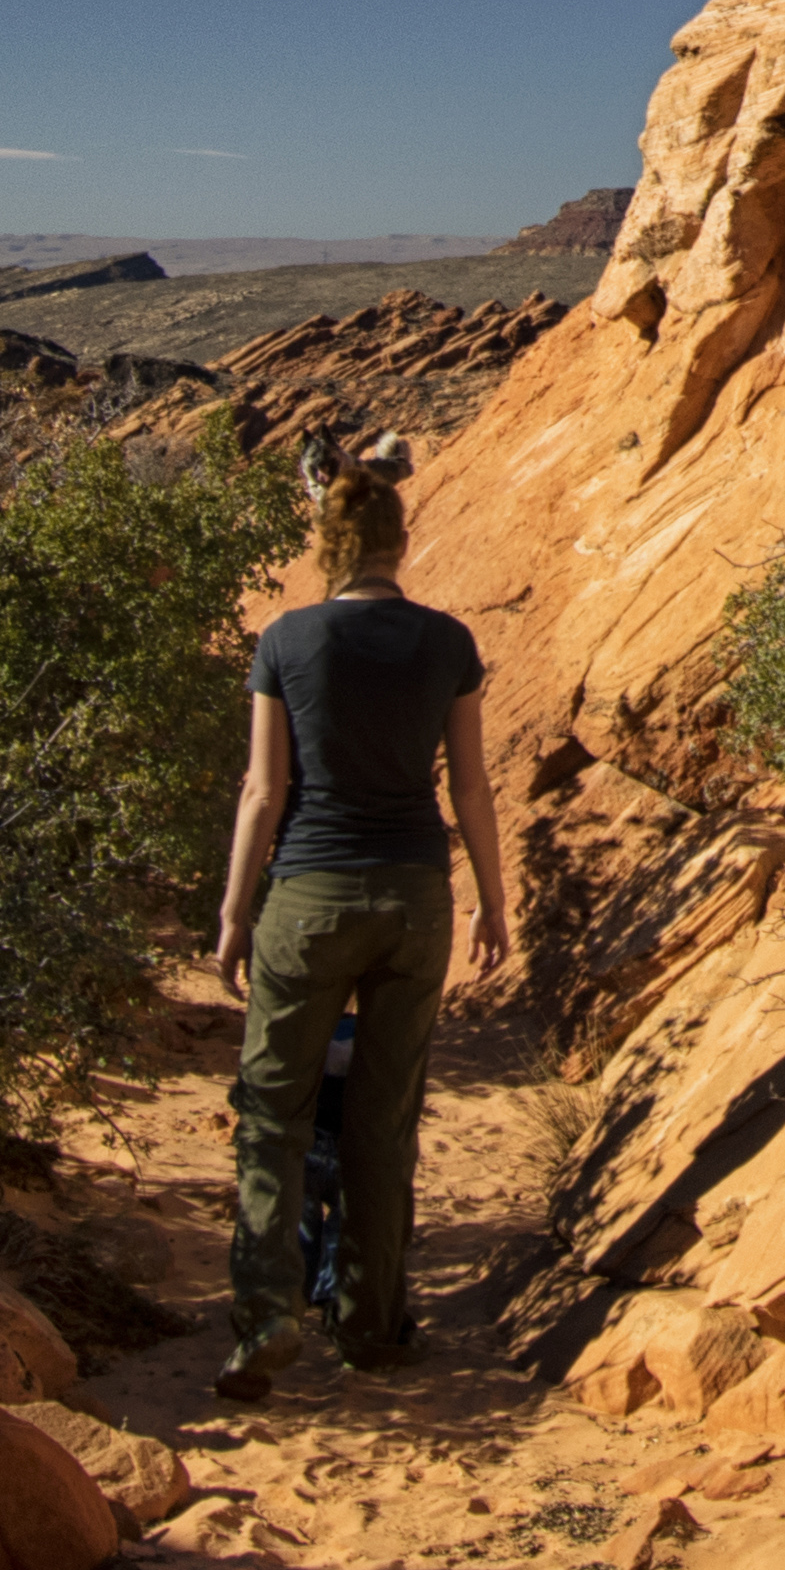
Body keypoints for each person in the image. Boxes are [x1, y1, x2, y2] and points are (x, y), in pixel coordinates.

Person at [204, 446, 511, 1391]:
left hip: (308, 894)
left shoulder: (287, 640)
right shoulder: (448, 642)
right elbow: (469, 785)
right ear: (399, 543)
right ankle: (371, 1324)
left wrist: (232, 914)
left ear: (327, 545)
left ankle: (264, 1322)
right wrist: (492, 901)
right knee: (385, 1120)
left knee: (273, 1117)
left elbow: (264, 790)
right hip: (414, 895)